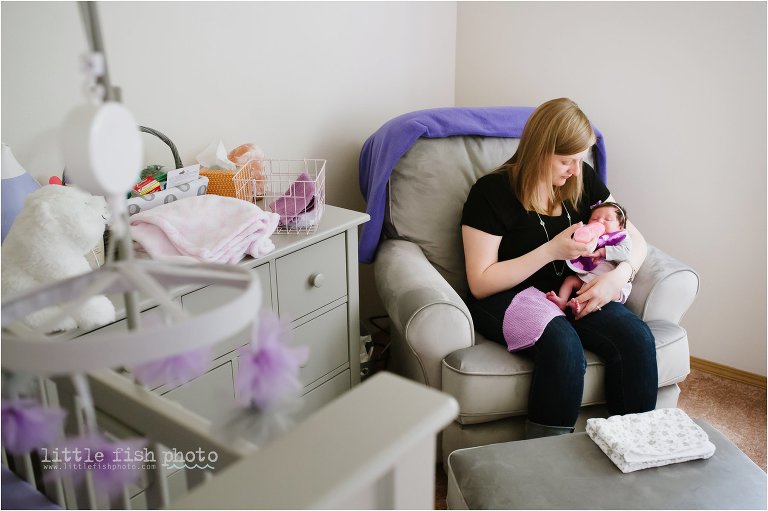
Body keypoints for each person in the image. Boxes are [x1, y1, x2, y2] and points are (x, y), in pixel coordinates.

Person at [461, 98, 657, 439]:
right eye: (567, 160)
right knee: (563, 347)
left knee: (636, 338)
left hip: (572, 286)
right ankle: (548, 467)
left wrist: (618, 276)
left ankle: (634, 450)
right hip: (509, 294)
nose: (575, 170)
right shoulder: (491, 193)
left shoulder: (581, 180)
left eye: (580, 160)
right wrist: (552, 250)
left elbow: (636, 240)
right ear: (539, 150)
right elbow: (480, 282)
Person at [546, 201, 633, 313]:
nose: (600, 221)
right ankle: (562, 300)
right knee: (570, 280)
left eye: (608, 219)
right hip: (587, 279)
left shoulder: (621, 238)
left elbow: (625, 253)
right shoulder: (590, 237)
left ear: (620, 227)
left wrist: (603, 251)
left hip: (611, 284)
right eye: (595, 219)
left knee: (612, 293)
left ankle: (579, 307)